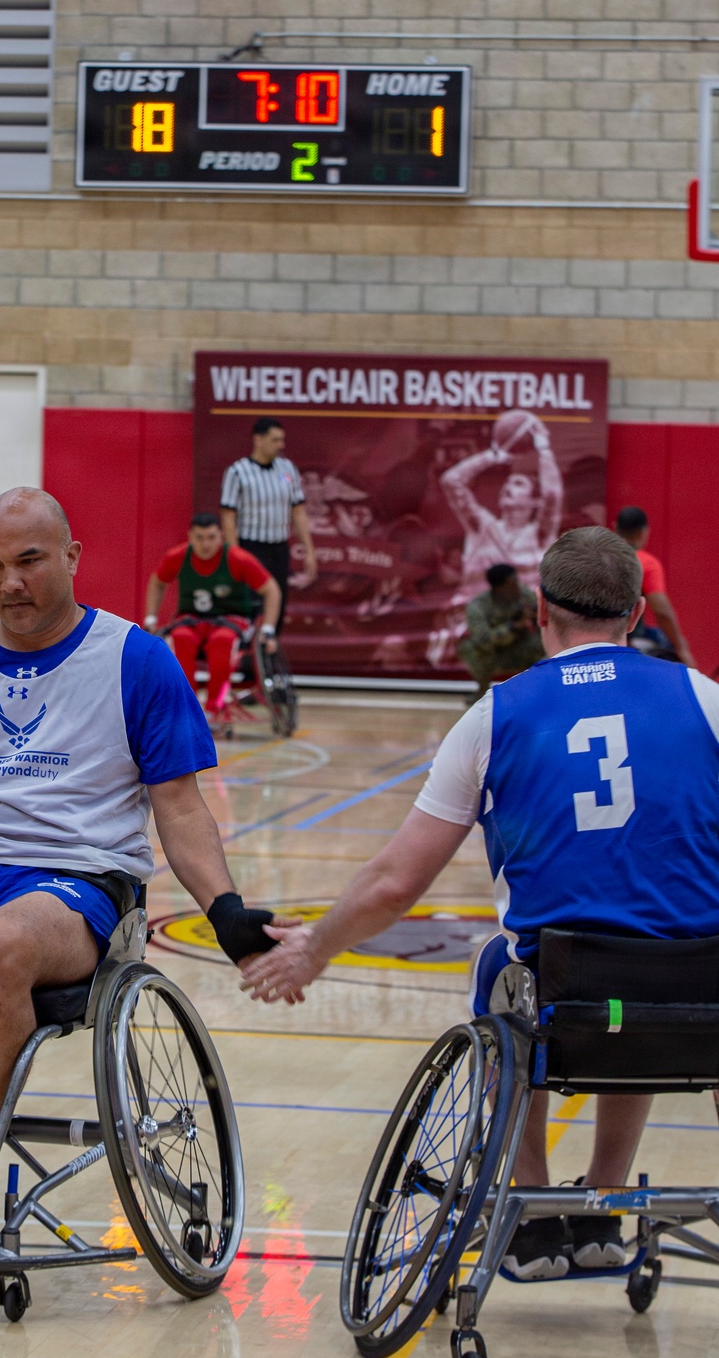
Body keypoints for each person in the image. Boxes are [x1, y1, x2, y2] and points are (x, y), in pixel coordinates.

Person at [240, 525, 719, 1282]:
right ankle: (609, 1193)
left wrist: (313, 947)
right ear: (635, 616)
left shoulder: (497, 714)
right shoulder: (704, 699)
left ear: (539, 611)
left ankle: (530, 1205)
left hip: (562, 987)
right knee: (654, 958)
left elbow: (398, 880)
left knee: (506, 966)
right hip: (693, 996)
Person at [0, 487, 278, 1257]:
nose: (11, 584)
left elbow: (180, 806)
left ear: (71, 557)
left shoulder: (135, 658)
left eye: (30, 561)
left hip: (77, 879)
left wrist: (225, 906)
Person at [144, 513, 281, 720]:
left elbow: (271, 590)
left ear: (221, 536)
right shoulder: (178, 556)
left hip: (231, 620)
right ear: (190, 536)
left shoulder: (237, 558)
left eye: (211, 537)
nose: (205, 544)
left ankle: (213, 709)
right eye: (199, 537)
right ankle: (186, 709)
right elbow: (157, 582)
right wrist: (150, 619)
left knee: (222, 641)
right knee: (180, 638)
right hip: (192, 619)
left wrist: (268, 629)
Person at [440, 412, 563, 603]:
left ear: (534, 502)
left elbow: (552, 495)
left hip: (518, 625)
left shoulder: (540, 535)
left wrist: (544, 449)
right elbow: (451, 481)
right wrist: (491, 456)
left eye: (518, 483)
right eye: (507, 483)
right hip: (473, 623)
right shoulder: (482, 525)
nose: (508, 486)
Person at [219, 416, 317, 633]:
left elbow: (298, 511)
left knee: (278, 602)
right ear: (258, 439)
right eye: (275, 440)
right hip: (251, 547)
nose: (280, 445)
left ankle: (271, 651)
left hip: (279, 547)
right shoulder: (237, 471)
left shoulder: (287, 469)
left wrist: (309, 550)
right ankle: (248, 659)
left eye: (281, 440)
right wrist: (235, 554)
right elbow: (228, 516)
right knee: (253, 604)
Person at [615, 505, 696, 668]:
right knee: (665, 643)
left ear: (614, 528)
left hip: (594, 638)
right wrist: (682, 649)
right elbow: (662, 612)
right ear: (643, 532)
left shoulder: (598, 558)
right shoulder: (646, 563)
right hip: (627, 640)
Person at [458, 562, 543, 698]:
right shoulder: (478, 606)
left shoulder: (524, 594)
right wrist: (512, 627)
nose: (517, 586)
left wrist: (535, 617)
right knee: (469, 647)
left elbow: (542, 621)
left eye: (517, 581)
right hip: (494, 654)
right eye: (512, 583)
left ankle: (539, 690)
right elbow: (482, 640)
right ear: (499, 587)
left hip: (521, 646)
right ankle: (482, 690)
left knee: (545, 645)